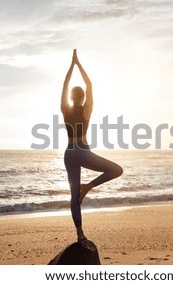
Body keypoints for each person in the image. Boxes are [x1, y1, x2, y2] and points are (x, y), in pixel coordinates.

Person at [61, 49, 123, 241]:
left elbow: (64, 84)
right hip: (81, 150)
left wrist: (71, 66)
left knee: (73, 196)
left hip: (68, 152)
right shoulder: (87, 109)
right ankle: (88, 187)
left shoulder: (64, 109)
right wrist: (79, 64)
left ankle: (80, 235)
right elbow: (89, 84)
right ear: (82, 98)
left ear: (71, 98)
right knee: (116, 170)